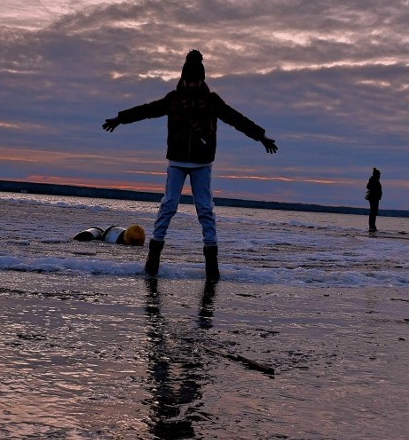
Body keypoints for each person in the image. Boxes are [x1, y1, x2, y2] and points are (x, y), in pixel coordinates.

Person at [103, 49, 278, 280]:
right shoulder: (173, 100)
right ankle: (152, 263)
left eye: (196, 81)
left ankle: (212, 269)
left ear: (202, 80)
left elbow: (237, 119)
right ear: (183, 79)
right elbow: (146, 110)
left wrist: (261, 136)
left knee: (205, 209)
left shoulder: (212, 101)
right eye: (189, 80)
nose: (192, 84)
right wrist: (120, 118)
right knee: (168, 206)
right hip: (176, 161)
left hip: (202, 163)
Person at [73, 224, 146, 246]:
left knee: (94, 233)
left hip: (109, 233)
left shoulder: (123, 237)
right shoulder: (137, 237)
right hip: (110, 233)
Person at [365, 168, 382, 233]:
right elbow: (368, 186)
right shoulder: (373, 179)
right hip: (373, 198)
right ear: (376, 174)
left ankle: (373, 226)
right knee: (373, 212)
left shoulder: (375, 180)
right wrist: (374, 191)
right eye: (379, 175)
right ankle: (371, 227)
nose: (379, 176)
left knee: (374, 212)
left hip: (375, 198)